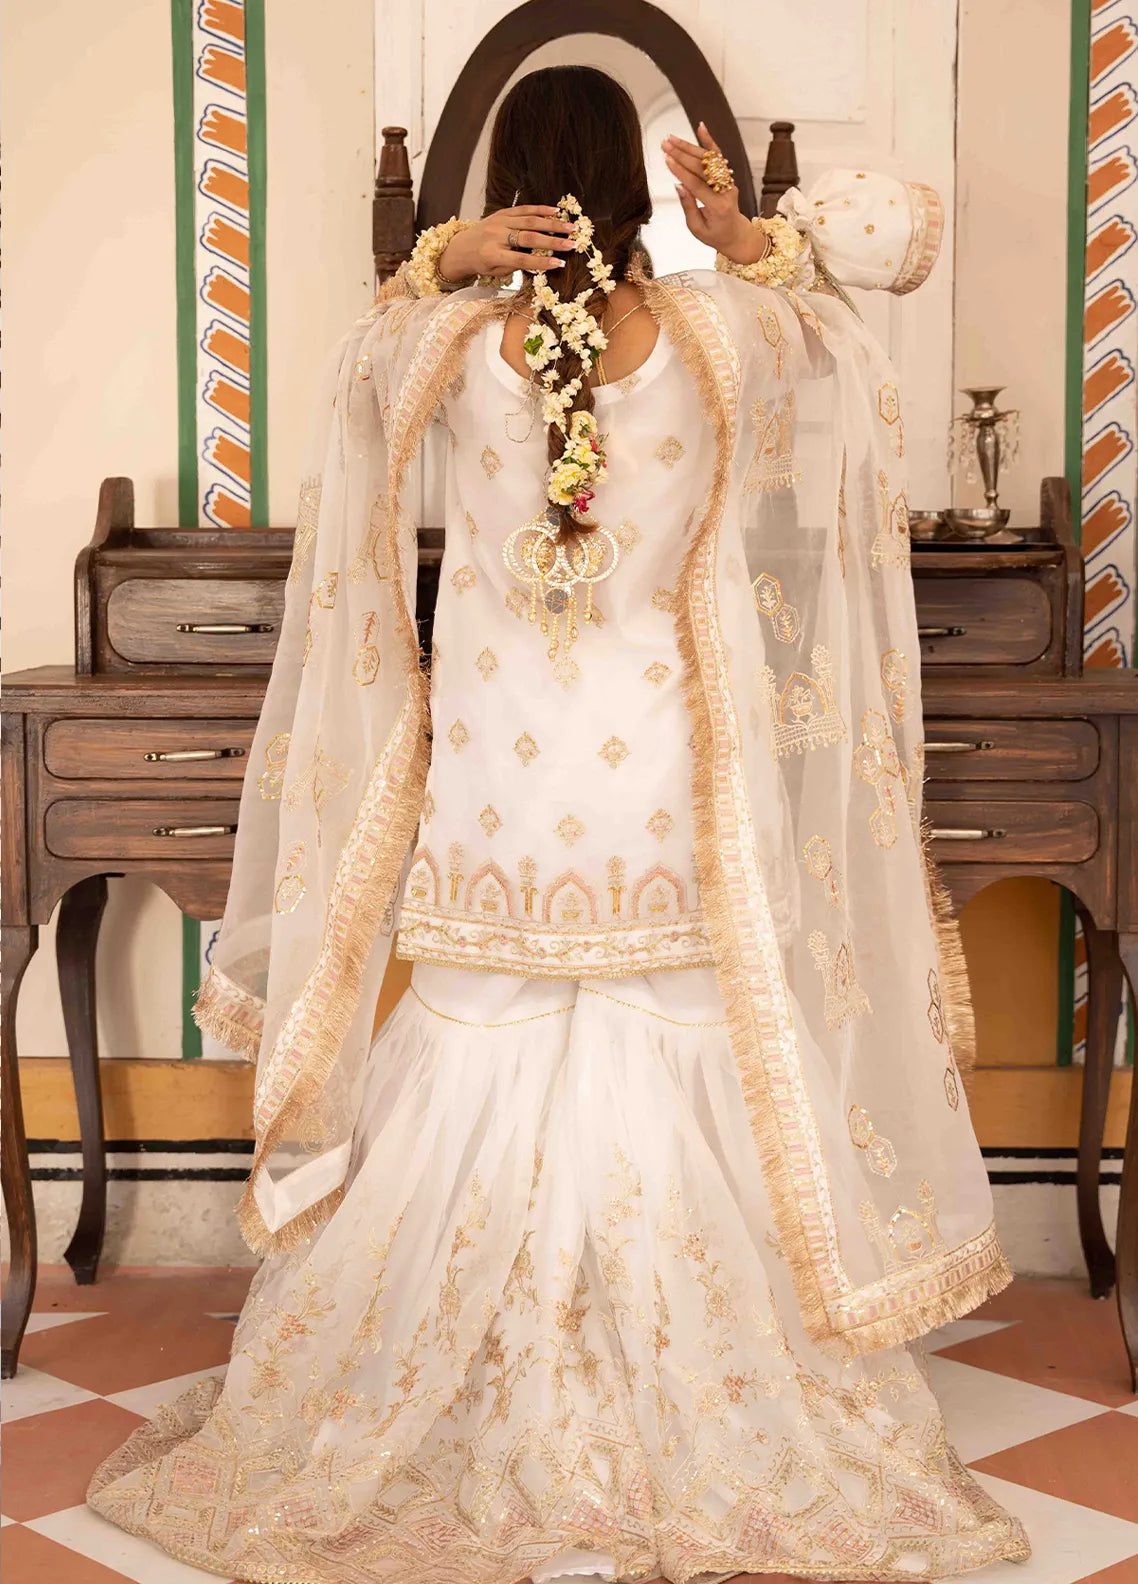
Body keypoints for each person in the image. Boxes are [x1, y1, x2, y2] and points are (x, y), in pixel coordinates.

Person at [89, 65, 1030, 1584]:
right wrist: (750, 240)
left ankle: (439, 1385)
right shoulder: (720, 334)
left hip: (501, 780)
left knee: (482, 1028)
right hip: (659, 765)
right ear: (636, 188)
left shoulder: (441, 345)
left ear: (508, 187)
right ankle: (711, 1397)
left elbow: (348, 393)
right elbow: (848, 350)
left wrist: (436, 263)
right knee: (676, 1031)